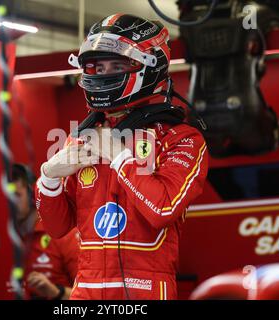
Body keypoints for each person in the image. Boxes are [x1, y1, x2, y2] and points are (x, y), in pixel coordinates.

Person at [35, 14, 208, 300]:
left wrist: (120, 157)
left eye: (116, 65)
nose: (104, 74)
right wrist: (49, 178)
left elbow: (163, 210)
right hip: (86, 289)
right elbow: (57, 228)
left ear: (149, 65)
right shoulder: (81, 137)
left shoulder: (181, 138)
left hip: (147, 291)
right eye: (97, 67)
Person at [12, 164, 79, 300]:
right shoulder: (6, 237)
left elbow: (91, 294)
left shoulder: (61, 233)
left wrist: (55, 292)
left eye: (17, 195)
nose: (11, 203)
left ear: (32, 196)